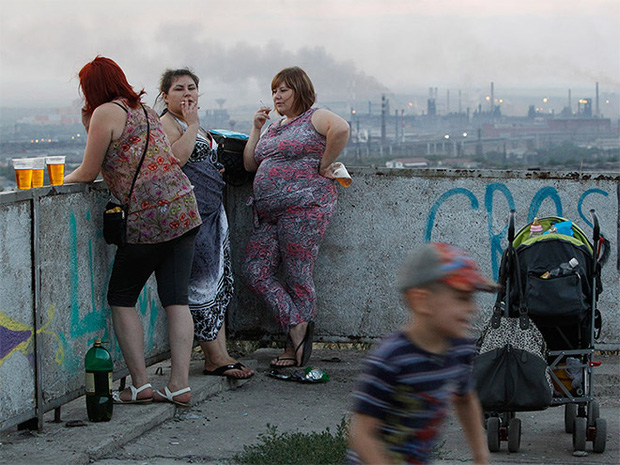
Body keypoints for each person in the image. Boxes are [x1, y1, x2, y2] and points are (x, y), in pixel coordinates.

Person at [64, 56, 202, 407]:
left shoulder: (105, 113)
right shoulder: (143, 109)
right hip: (184, 209)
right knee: (176, 299)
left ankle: (140, 385)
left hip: (148, 218)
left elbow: (87, 171)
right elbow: (122, 155)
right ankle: (179, 385)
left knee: (122, 298)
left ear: (91, 88)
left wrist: (55, 183)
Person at [242, 66, 350, 368]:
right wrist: (256, 128)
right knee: (254, 270)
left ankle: (295, 349)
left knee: (297, 276)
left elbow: (340, 129)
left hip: (304, 208)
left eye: (284, 90)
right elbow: (251, 164)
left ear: (299, 91)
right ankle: (296, 324)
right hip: (268, 213)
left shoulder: (315, 116)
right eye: (274, 90)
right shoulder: (274, 127)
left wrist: (324, 164)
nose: (277, 95)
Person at [347, 242, 493, 464]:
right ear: (421, 300)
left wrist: (481, 454)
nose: (473, 309)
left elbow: (465, 399)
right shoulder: (391, 358)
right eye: (462, 298)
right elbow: (362, 434)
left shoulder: (459, 349)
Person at [157, 68, 253, 379]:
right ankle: (213, 356)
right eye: (179, 89)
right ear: (165, 96)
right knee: (200, 286)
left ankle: (220, 355)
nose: (187, 94)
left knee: (218, 285)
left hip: (213, 212)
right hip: (190, 216)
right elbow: (175, 160)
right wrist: (194, 124)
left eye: (192, 88)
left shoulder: (191, 126)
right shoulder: (166, 124)